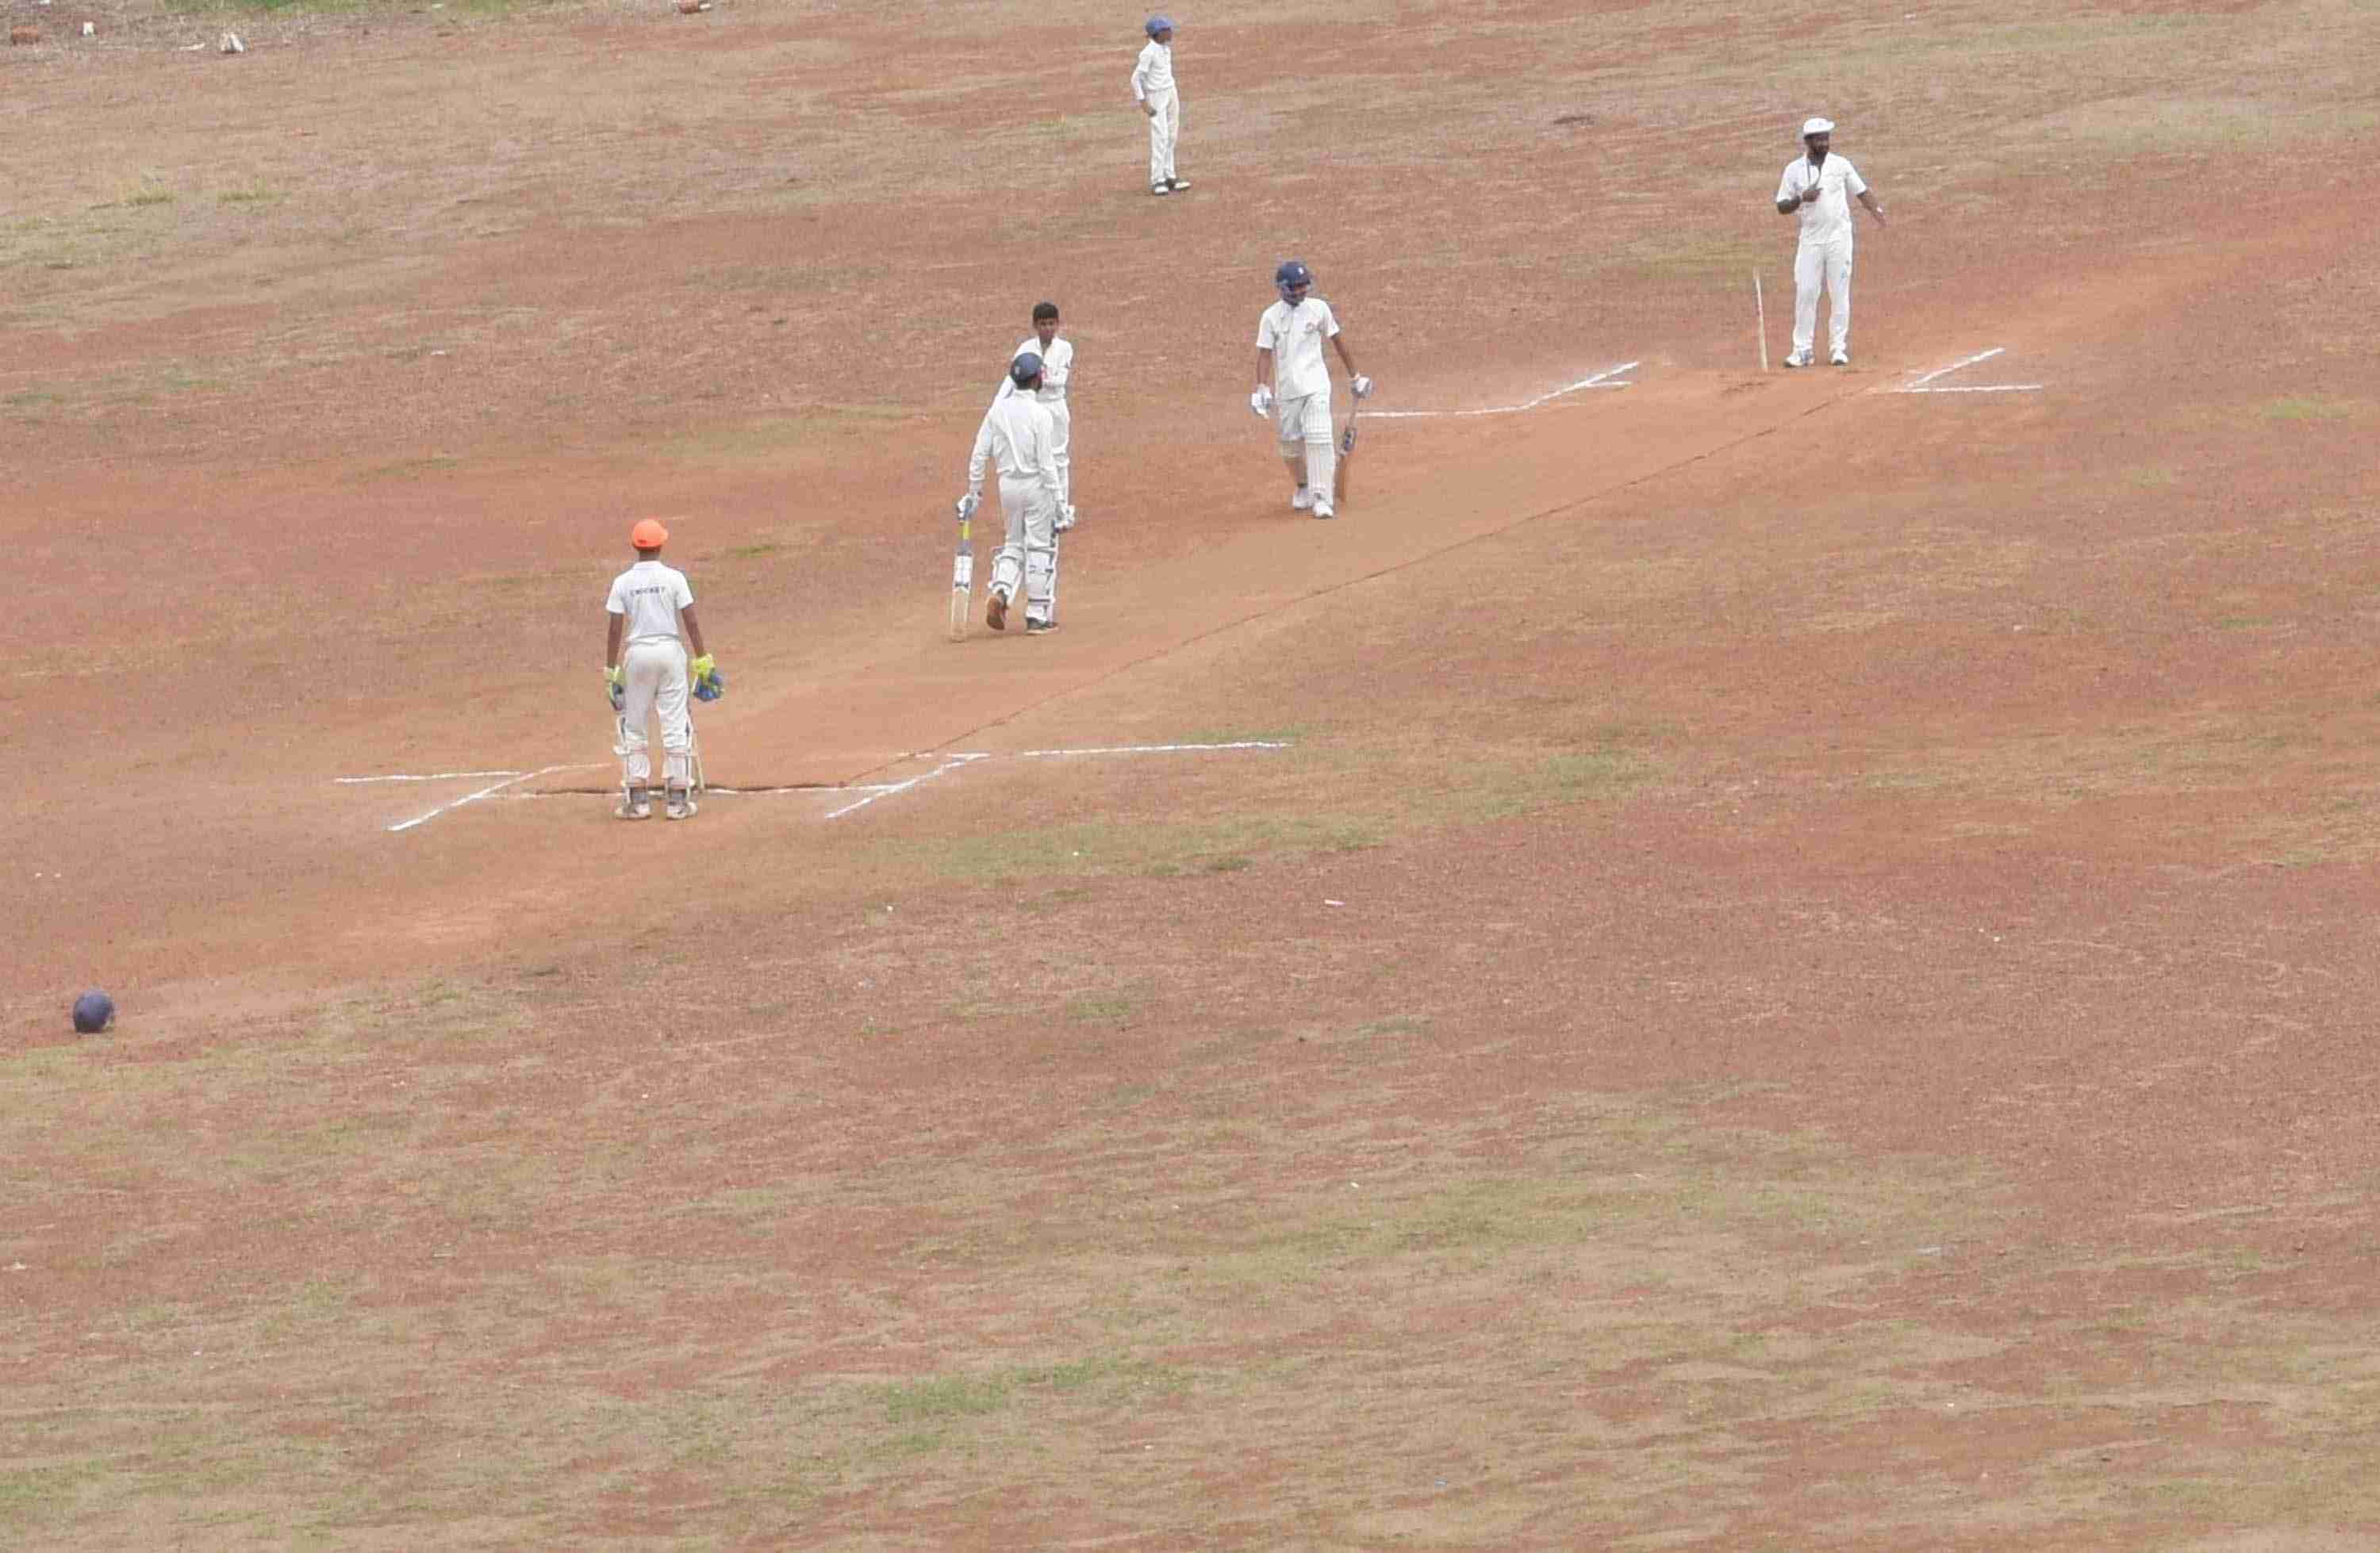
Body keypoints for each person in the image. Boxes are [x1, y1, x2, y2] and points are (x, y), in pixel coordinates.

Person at [603, 518, 716, 820]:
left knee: (635, 724)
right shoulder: (674, 578)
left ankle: (638, 801)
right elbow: (690, 620)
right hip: (670, 653)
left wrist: (611, 669)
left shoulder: (622, 582)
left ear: (635, 547)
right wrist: (703, 659)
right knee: (675, 722)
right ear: (661, 545)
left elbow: (615, 628)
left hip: (637, 655)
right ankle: (678, 800)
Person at [1251, 259, 1370, 520]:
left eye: (1305, 286)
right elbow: (1264, 354)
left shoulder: (1319, 309)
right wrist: (1261, 387)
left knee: (1319, 436)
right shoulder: (1270, 317)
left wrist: (1356, 377)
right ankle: (1304, 486)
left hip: (1317, 385)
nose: (1302, 291)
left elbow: (1338, 342)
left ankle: (1322, 498)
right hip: (1288, 391)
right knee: (1290, 448)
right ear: (1282, 289)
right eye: (1296, 287)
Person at [963, 353, 1065, 634]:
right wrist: (1059, 502)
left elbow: (979, 453)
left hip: (1007, 486)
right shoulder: (1041, 415)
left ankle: (1001, 591)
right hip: (1035, 487)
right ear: (1036, 379)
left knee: (1013, 543)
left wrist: (974, 492)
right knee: (1039, 547)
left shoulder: (997, 412)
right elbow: (1047, 464)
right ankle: (1036, 616)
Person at [1774, 117, 1887, 367]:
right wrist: (1802, 198)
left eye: (1826, 137)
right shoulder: (1793, 170)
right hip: (1810, 240)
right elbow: (1782, 206)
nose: (1824, 142)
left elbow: (1861, 191)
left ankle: (1838, 348)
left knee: (1839, 293)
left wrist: (1876, 211)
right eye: (1819, 138)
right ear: (1808, 141)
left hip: (1839, 239)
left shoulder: (1841, 165)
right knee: (1806, 292)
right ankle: (1802, 350)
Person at [992, 301, 1076, 528]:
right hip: (1033, 408)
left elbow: (1060, 381)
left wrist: (1039, 379)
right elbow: (1014, 379)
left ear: (1058, 324)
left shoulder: (1065, 348)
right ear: (1035, 325)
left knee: (1058, 458)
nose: (1048, 328)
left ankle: (1062, 510)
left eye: (1051, 324)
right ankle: (1041, 505)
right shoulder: (1025, 348)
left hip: (1056, 408)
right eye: (1043, 324)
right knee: (1035, 458)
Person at [1131, 17, 1188, 197]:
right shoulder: (1148, 53)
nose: (1171, 33)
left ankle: (1170, 176)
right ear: (1158, 34)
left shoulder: (1165, 50)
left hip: (1171, 91)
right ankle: (1157, 179)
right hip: (1156, 95)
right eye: (1167, 30)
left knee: (1172, 135)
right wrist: (1143, 102)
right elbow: (1136, 79)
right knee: (1160, 137)